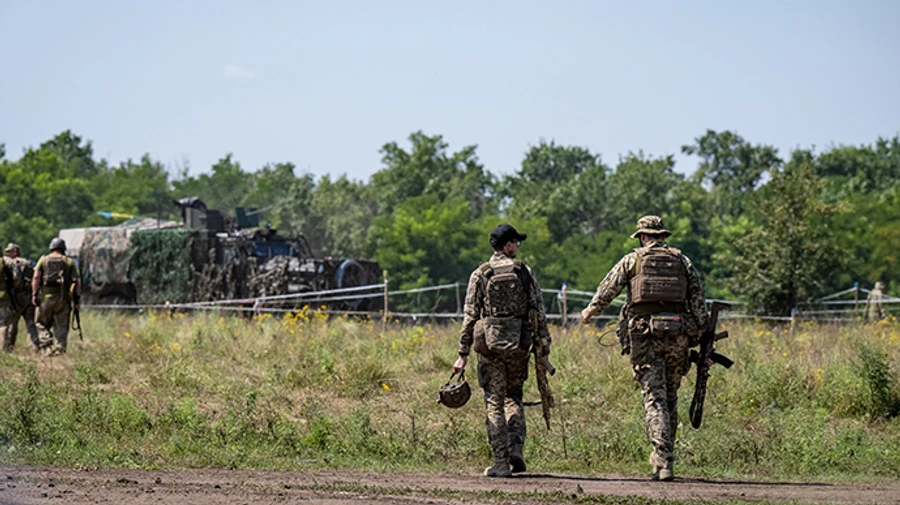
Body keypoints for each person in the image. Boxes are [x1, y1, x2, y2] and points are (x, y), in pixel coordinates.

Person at [580, 215, 709, 481]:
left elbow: (608, 288)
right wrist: (703, 333)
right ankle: (667, 460)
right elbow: (698, 302)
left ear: (642, 236)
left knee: (655, 398)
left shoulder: (633, 260)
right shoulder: (683, 262)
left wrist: (591, 311)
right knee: (670, 396)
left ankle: (662, 459)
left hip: (645, 336)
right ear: (662, 236)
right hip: (678, 336)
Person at [452, 224, 552, 478]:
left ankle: (500, 463)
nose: (517, 246)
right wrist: (544, 349)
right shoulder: (524, 271)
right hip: (519, 345)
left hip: (490, 348)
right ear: (507, 245)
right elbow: (538, 311)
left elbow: (470, 316)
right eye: (516, 242)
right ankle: (515, 448)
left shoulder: (480, 273)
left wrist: (463, 354)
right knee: (514, 397)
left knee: (494, 402)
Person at [32, 238, 81, 356]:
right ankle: (60, 350)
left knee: (41, 323)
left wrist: (34, 294)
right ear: (63, 248)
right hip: (63, 300)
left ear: (51, 247)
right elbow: (76, 282)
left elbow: (36, 277)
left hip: (45, 299)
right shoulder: (69, 262)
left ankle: (47, 347)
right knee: (62, 325)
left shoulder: (43, 260)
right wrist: (77, 301)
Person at [1, 243, 40, 353]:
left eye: (10, 252)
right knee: (31, 324)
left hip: (16, 299)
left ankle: (9, 347)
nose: (8, 254)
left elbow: (15, 279)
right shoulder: (28, 263)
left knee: (12, 324)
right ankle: (35, 348)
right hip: (29, 297)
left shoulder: (11, 263)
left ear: (15, 251)